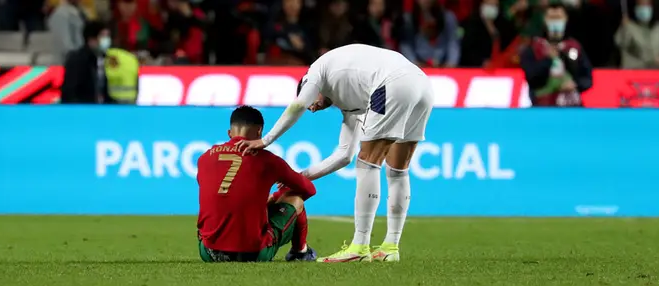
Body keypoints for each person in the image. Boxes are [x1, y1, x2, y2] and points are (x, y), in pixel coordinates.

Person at [236, 44, 434, 263]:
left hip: (392, 83)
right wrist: (299, 178)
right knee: (397, 170)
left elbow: (299, 104)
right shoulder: (350, 97)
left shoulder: (315, 72)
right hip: (422, 84)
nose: (313, 107)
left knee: (367, 164)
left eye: (314, 100)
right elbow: (344, 155)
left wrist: (266, 140)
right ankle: (390, 247)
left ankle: (359, 246)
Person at [197, 105, 317, 263]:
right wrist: (275, 197)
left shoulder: (205, 158)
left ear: (229, 133)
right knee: (295, 198)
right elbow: (309, 189)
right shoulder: (268, 160)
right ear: (260, 132)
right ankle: (300, 252)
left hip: (208, 252)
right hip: (254, 254)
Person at [519, 1, 592, 107]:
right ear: (545, 19)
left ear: (566, 19)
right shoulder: (533, 47)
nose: (555, 21)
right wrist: (548, 59)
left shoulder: (574, 47)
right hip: (543, 107)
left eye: (558, 17)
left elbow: (587, 78)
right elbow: (530, 76)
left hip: (572, 107)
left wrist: (575, 85)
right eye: (552, 18)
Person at [400, 0, 461, 68]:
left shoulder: (448, 17)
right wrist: (414, 63)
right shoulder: (408, 19)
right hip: (418, 65)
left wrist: (451, 63)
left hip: (443, 64)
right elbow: (406, 45)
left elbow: (453, 42)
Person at [60, 21, 110, 104]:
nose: (107, 39)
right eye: (103, 36)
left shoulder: (103, 59)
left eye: (108, 36)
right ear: (91, 39)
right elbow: (69, 91)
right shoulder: (77, 60)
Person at [615, 0, 659, 69]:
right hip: (633, 74)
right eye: (641, 5)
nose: (644, 8)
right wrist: (624, 28)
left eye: (647, 5)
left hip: (656, 74)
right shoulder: (628, 27)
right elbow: (622, 43)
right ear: (635, 8)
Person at [48, 0, 85, 64]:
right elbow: (67, 43)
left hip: (79, 58)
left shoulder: (76, 12)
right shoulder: (61, 15)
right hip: (69, 62)